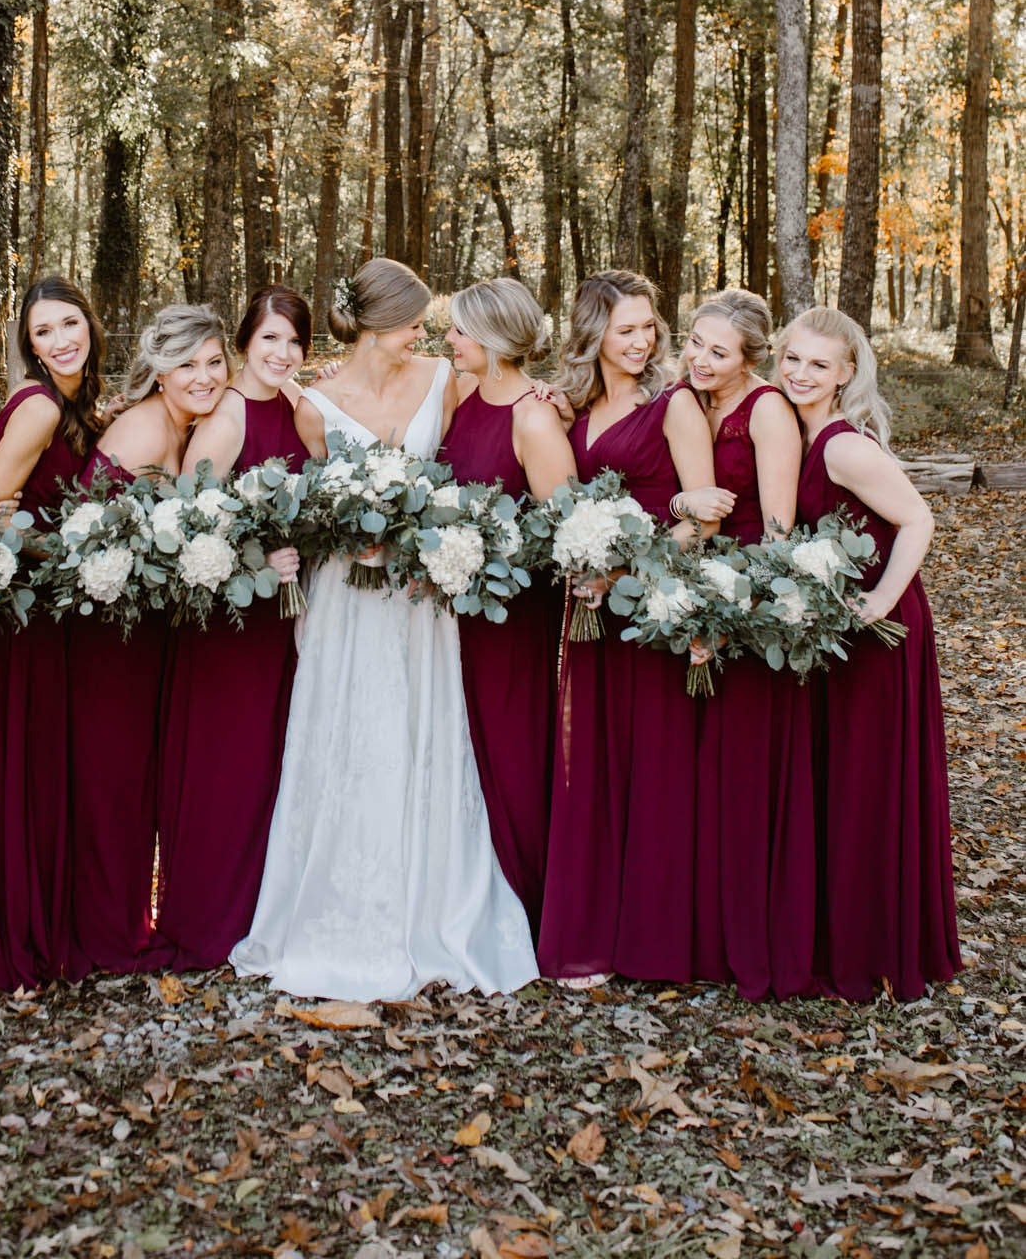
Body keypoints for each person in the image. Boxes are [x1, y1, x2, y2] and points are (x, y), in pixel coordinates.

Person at [232, 257, 538, 1000]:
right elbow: (313, 506)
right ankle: (331, 912)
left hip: (420, 596)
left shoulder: (443, 377)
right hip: (347, 594)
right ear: (376, 324)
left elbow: (504, 398)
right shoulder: (315, 403)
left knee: (419, 729)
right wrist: (348, 531)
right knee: (347, 732)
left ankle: (432, 904)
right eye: (411, 322)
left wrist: (545, 396)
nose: (422, 333)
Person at [537, 269, 726, 984]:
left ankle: (654, 940)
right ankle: (593, 930)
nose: (642, 342)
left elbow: (702, 519)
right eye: (626, 330)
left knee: (654, 767)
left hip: (650, 609)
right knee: (592, 763)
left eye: (649, 327)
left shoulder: (673, 405)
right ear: (592, 333)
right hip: (591, 613)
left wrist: (623, 574)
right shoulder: (574, 407)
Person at [778, 307, 959, 1000]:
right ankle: (843, 933)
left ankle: (871, 945)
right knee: (839, 779)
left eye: (818, 365)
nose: (800, 373)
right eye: (792, 358)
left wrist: (880, 600)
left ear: (845, 373)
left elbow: (918, 518)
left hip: (875, 628)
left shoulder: (841, 446)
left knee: (864, 784)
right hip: (831, 626)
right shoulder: (795, 428)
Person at [68, 304, 230, 976]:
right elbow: (83, 532)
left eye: (214, 362)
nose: (203, 377)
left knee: (134, 780)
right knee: (112, 780)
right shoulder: (140, 430)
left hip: (147, 630)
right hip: (108, 636)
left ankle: (125, 918)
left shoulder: (187, 425)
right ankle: (106, 931)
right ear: (159, 370)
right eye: (186, 364)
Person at [152, 285, 311, 969]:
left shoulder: (297, 410)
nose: (282, 352)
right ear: (246, 340)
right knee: (226, 768)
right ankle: (205, 919)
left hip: (278, 624)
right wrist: (255, 559)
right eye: (269, 338)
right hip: (227, 626)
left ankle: (257, 910)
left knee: (266, 769)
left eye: (294, 341)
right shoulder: (228, 416)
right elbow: (188, 530)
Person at [678, 289, 814, 998]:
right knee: (703, 770)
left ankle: (756, 939)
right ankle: (705, 934)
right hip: (691, 600)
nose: (700, 359)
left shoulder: (765, 410)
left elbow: (781, 532)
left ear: (749, 358)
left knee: (745, 773)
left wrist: (726, 607)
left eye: (717, 351)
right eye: (695, 342)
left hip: (748, 607)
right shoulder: (690, 398)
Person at [0, 278, 106, 987]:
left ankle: (44, 914)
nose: (60, 340)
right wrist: (72, 551)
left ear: (90, 323)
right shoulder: (39, 407)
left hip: (50, 611)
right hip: (24, 610)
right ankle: (20, 925)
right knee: (28, 766)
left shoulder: (74, 402)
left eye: (69, 323)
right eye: (43, 332)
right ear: (28, 346)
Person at [440, 277, 576, 935]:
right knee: (462, 738)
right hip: (452, 607)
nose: (449, 340)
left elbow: (567, 531)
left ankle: (533, 903)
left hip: (514, 612)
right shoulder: (463, 393)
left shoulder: (533, 415)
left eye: (460, 331)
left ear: (493, 340)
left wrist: (493, 555)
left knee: (513, 741)